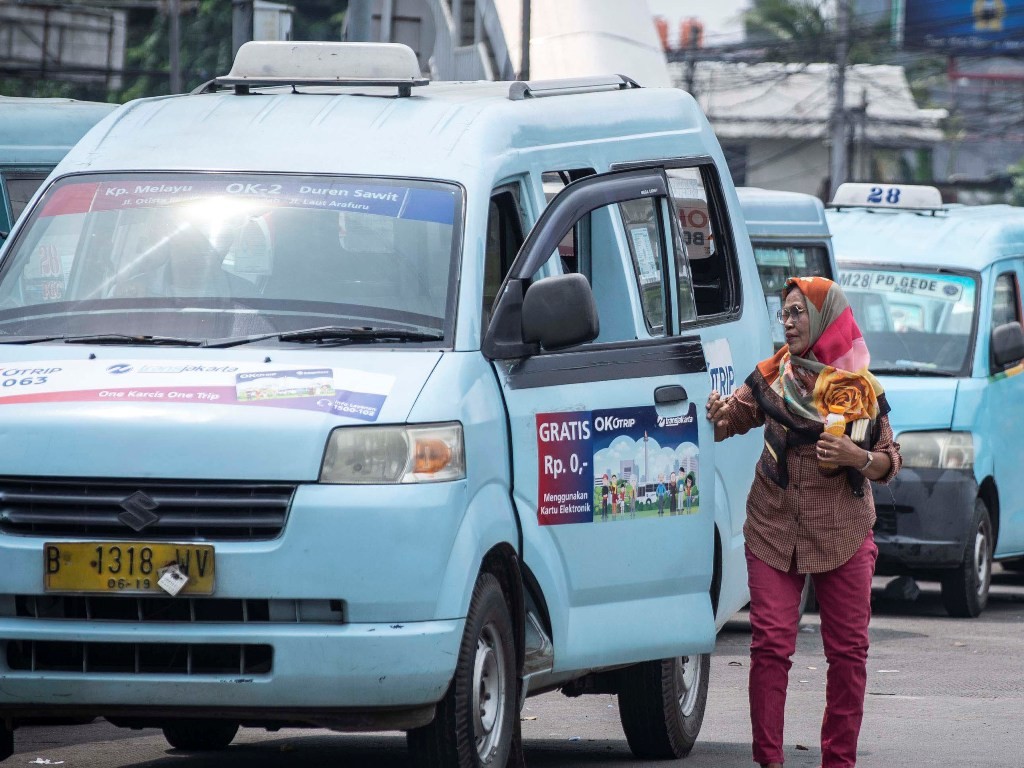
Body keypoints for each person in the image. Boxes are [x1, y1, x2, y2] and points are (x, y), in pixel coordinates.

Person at [705, 276, 902, 768]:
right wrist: (717, 414)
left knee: (848, 653)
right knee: (770, 644)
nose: (788, 323)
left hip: (843, 530)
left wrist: (857, 455)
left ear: (823, 318)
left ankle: (840, 761)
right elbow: (732, 420)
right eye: (784, 314)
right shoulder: (775, 375)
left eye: (797, 313)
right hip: (774, 526)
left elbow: (890, 462)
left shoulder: (858, 387)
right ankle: (767, 760)